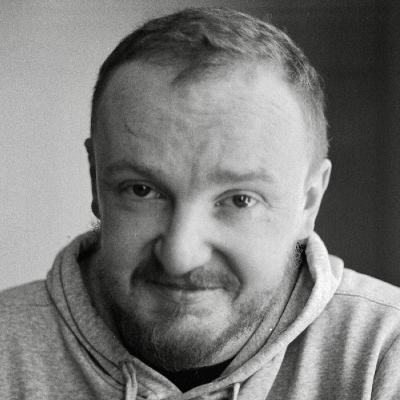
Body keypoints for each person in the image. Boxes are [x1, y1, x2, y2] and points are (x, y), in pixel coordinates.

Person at [1, 7, 400, 400]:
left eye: (239, 200)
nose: (180, 257)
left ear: (308, 202)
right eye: (141, 190)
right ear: (94, 180)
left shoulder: (386, 354)